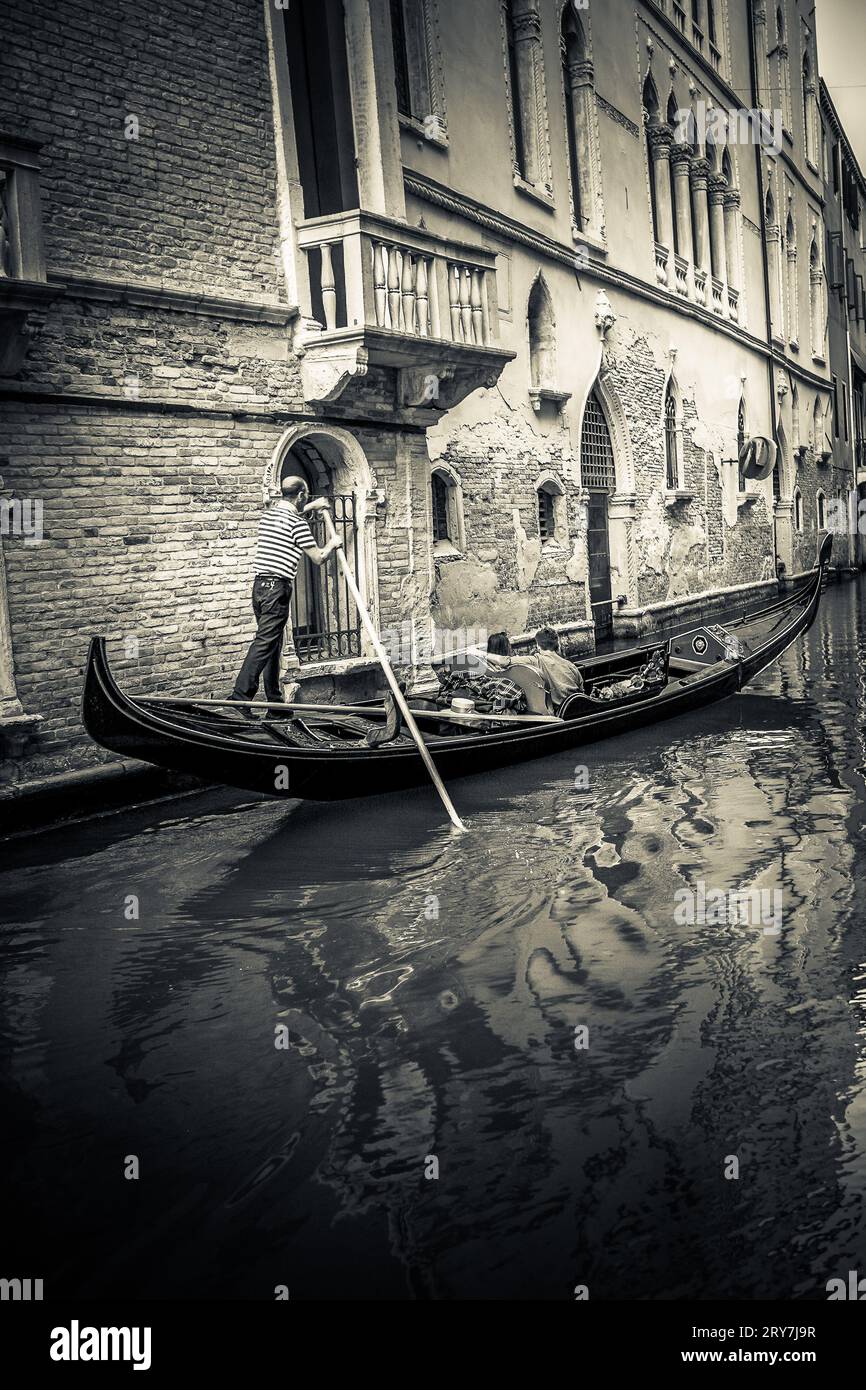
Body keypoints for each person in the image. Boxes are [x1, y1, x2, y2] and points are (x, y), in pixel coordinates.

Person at [228, 477, 342, 710]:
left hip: (259, 588)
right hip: (277, 589)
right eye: (306, 497)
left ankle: (276, 705)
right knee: (265, 642)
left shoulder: (269, 515)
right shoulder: (298, 525)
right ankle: (240, 697)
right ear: (300, 495)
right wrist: (333, 543)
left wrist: (312, 506)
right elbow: (318, 558)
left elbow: (291, 515)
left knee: (272, 643)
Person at [532, 627, 584, 710]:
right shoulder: (571, 666)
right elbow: (581, 690)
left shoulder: (537, 661)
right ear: (557, 644)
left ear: (538, 646)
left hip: (558, 713)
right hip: (577, 707)